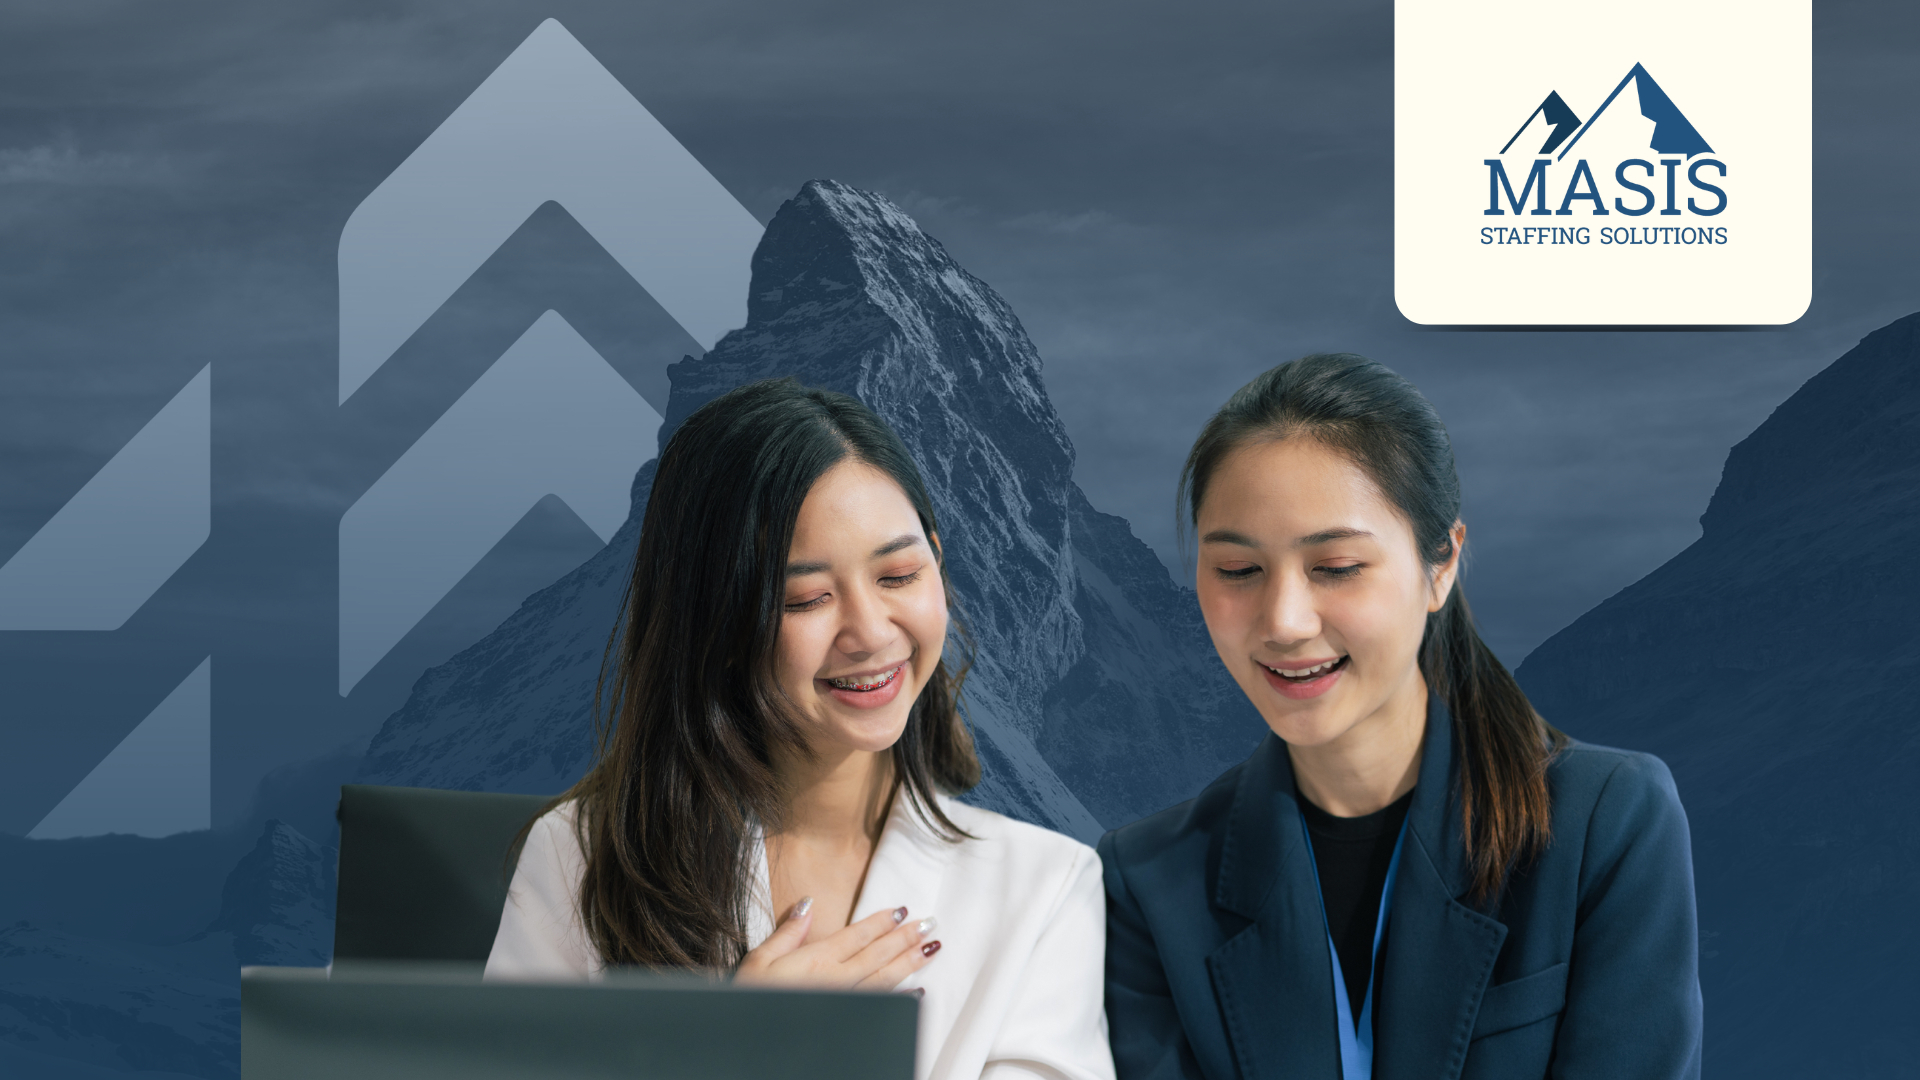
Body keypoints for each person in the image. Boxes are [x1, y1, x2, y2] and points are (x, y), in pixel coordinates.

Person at [485, 377, 1114, 1080]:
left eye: (901, 574)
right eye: (807, 598)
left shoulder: (1046, 887)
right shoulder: (582, 856)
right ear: (716, 622)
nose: (871, 633)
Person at [1099, 354, 1701, 1080]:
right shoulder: (1145, 884)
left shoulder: (1606, 825)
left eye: (1337, 567)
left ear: (1440, 563)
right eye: (1237, 571)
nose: (1284, 621)